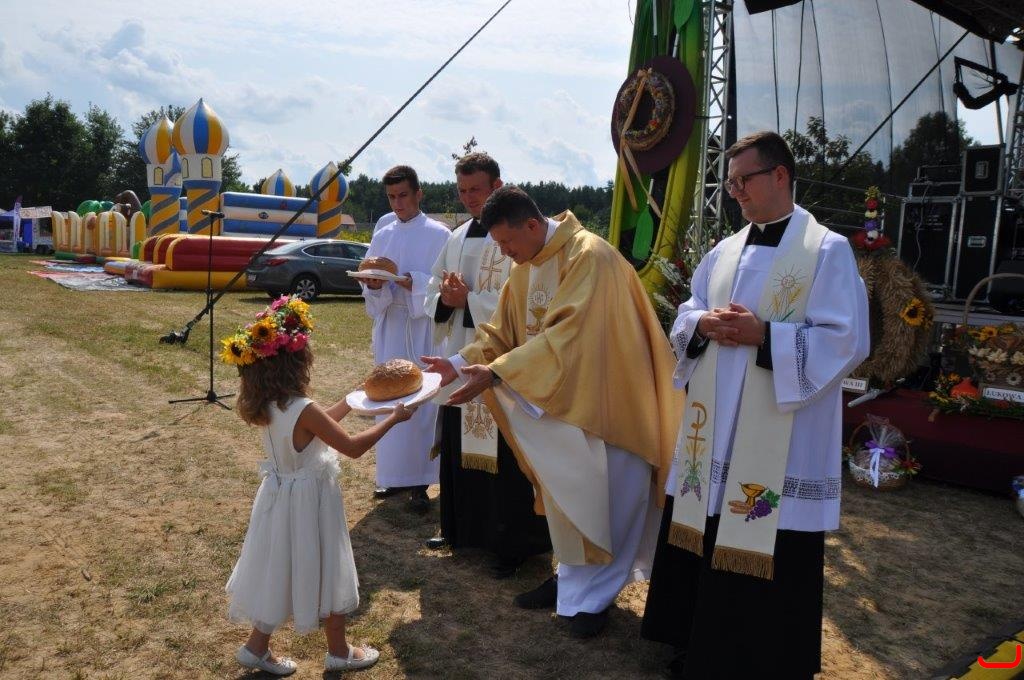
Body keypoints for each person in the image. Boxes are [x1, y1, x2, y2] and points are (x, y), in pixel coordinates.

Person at [640, 131, 870, 679]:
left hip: (778, 434)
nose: (735, 191)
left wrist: (765, 335)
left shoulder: (827, 251)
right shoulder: (724, 251)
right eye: (730, 183)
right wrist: (702, 323)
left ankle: (762, 657)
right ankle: (697, 642)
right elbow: (688, 310)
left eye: (744, 179)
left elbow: (846, 339)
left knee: (767, 530)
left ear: (780, 175)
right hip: (714, 427)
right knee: (707, 524)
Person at [423, 186, 683, 638]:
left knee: (609, 499)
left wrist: (498, 372)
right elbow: (500, 332)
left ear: (531, 224)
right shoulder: (527, 263)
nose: (505, 253)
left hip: (609, 403)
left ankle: (594, 599)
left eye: (507, 243)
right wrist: (459, 363)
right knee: (570, 497)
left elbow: (571, 335)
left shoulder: (589, 256)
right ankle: (572, 580)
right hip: (560, 401)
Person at [222, 295, 416, 676]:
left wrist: (349, 401)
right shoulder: (302, 409)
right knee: (328, 566)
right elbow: (353, 447)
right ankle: (339, 651)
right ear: (295, 364)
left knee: (280, 566)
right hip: (311, 501)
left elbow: (314, 427)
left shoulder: (272, 405)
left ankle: (256, 646)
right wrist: (393, 418)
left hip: (281, 497)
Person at [423, 153, 551, 577]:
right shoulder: (457, 236)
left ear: (497, 185)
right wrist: (445, 300)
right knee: (460, 447)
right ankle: (460, 529)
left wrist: (470, 300)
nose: (468, 198)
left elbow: (527, 302)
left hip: (504, 360)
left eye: (475, 189)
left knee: (507, 455)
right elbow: (433, 288)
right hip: (463, 351)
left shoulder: (520, 233)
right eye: (461, 190)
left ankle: (510, 544)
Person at [361, 165, 450, 512]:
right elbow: (372, 282)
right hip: (391, 325)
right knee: (388, 398)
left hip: (421, 327)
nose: (397, 203)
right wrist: (375, 285)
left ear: (418, 194)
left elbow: (443, 283)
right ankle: (393, 476)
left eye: (403, 195)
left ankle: (421, 481)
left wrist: (413, 281)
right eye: (391, 197)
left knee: (421, 401)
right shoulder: (382, 234)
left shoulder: (439, 234)